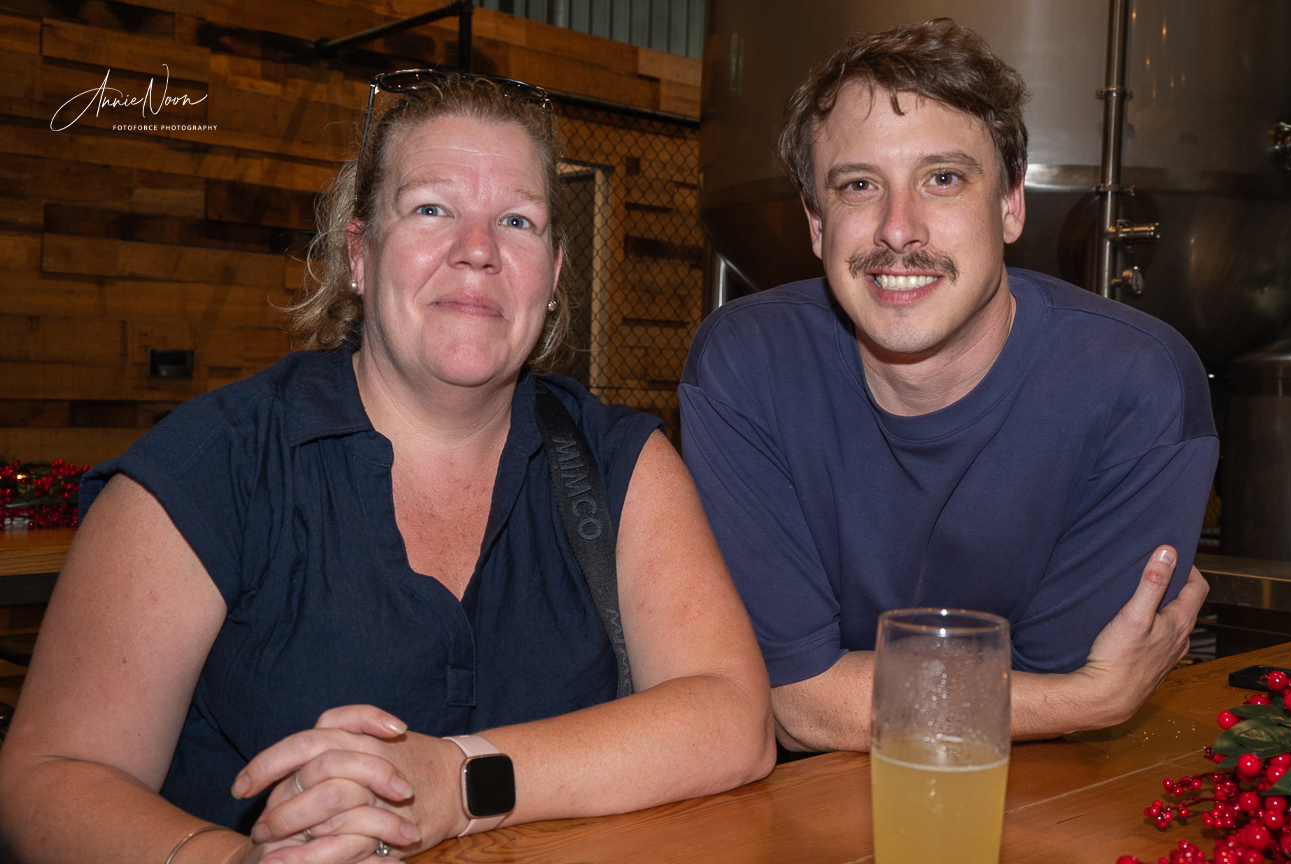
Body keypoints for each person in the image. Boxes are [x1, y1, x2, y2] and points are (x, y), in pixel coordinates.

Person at [0, 72, 775, 864]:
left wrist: (459, 781)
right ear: (359, 254)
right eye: (432, 209)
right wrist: (232, 861)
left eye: (517, 221)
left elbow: (732, 719)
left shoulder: (621, 463)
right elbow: (48, 777)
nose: (478, 250)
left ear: (552, 276)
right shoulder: (216, 464)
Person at [679, 20, 1218, 754]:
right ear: (816, 224)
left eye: (943, 179)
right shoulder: (747, 364)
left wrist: (1051, 698)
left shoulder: (1135, 383)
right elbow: (796, 703)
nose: (899, 230)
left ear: (1011, 205)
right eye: (859, 185)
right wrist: (1088, 698)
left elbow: (1039, 724)